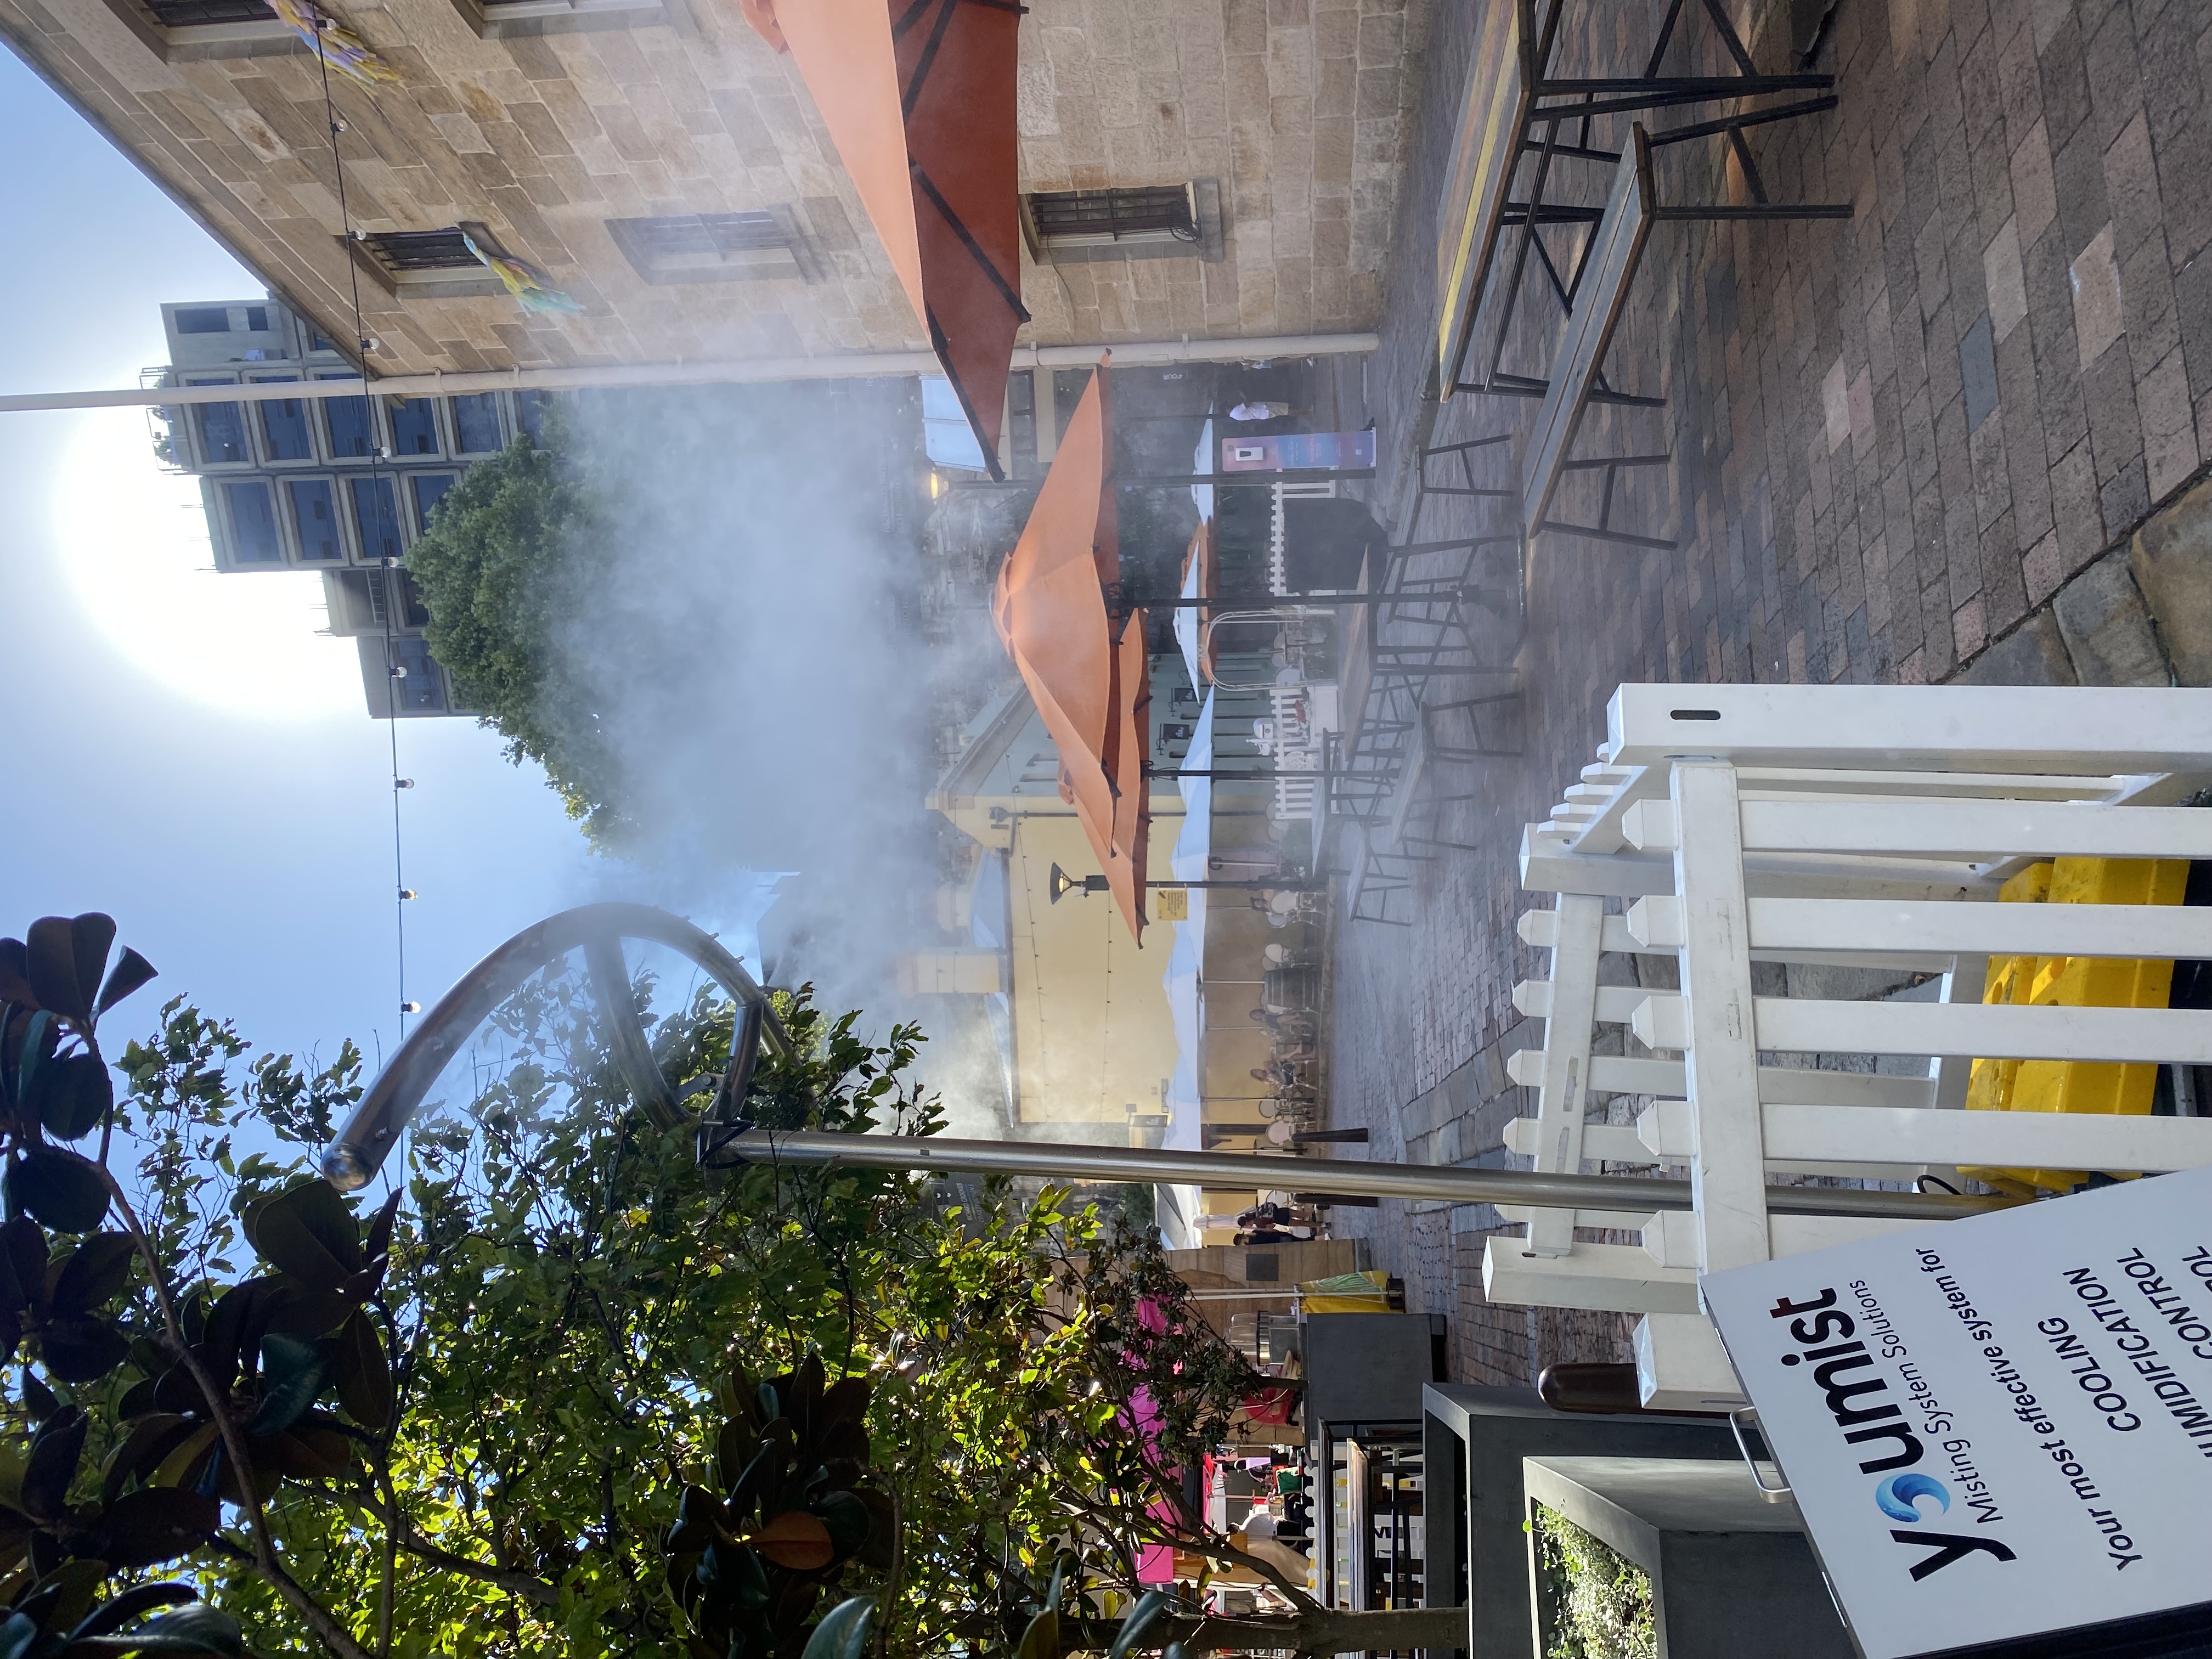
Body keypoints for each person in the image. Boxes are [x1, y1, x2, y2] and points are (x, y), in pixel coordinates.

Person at [1228, 400, 1299, 421]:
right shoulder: (1235, 411)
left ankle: (1303, 412)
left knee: (1285, 411)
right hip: (1264, 409)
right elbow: (1247, 404)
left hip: (1263, 415)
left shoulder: (1235, 417)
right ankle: (1305, 411)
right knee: (1286, 410)